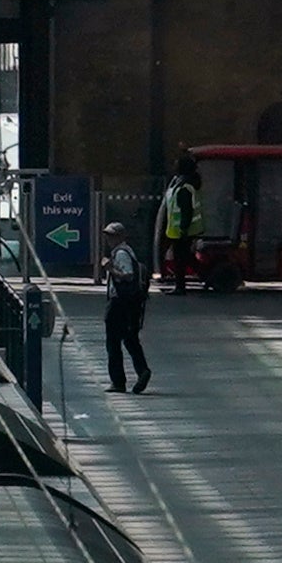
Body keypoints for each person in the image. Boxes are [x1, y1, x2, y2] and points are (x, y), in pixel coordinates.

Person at [99, 222, 154, 394]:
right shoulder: (127, 252)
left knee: (113, 342)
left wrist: (110, 269)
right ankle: (142, 371)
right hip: (130, 303)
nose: (109, 239)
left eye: (112, 235)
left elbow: (128, 276)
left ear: (121, 237)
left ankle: (118, 381)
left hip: (119, 303)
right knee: (130, 339)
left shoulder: (121, 254)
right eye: (108, 235)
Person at [155, 161, 202, 292]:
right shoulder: (186, 184)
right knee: (185, 257)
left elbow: (186, 211)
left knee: (180, 259)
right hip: (181, 230)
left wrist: (183, 229)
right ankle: (203, 276)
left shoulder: (184, 187)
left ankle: (180, 286)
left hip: (182, 230)